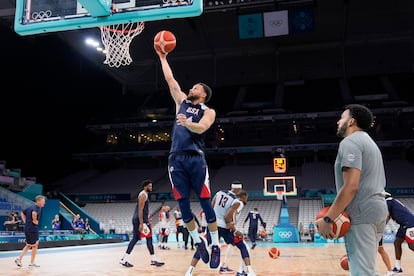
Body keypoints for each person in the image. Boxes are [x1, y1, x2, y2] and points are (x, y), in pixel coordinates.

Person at [155, 44, 220, 268]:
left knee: (204, 200)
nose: (190, 89)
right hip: (176, 158)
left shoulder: (208, 111)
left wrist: (188, 123)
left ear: (202, 94)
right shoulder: (181, 102)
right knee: (182, 205)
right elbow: (171, 80)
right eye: (191, 87)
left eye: (195, 88)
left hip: (195, 158)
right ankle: (198, 242)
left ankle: (216, 245)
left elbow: (202, 128)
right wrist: (162, 57)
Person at [315, 104, 388, 276]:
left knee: (363, 272)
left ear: (351, 121)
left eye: (342, 117)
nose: (338, 121)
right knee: (367, 269)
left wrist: (328, 218)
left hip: (362, 211)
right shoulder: (370, 143)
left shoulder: (350, 142)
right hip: (377, 210)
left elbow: (351, 186)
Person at [119, 179, 164, 268]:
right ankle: (153, 259)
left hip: (139, 219)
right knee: (149, 238)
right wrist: (141, 223)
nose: (151, 187)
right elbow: (140, 209)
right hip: (141, 220)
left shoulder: (144, 194)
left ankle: (124, 259)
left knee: (136, 239)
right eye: (149, 186)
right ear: (145, 186)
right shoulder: (143, 194)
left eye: (151, 186)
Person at [213, 189, 255, 276]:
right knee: (245, 248)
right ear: (244, 197)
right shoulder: (240, 203)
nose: (246, 200)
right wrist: (234, 228)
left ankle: (224, 265)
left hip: (218, 225)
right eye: (246, 198)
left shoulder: (231, 201)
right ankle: (241, 270)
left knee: (229, 245)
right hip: (228, 227)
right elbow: (232, 214)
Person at [384, 192, 414, 274]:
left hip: (409, 223)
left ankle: (398, 267)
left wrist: (381, 227)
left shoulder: (388, 201)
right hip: (404, 224)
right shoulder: (391, 201)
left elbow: (387, 216)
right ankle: (398, 267)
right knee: (397, 242)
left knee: (411, 246)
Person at [14, 195, 46, 268]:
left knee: (28, 245)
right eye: (43, 201)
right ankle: (32, 263)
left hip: (27, 228)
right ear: (38, 201)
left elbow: (22, 213)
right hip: (33, 229)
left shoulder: (30, 207)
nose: (44, 203)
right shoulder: (37, 208)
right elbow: (34, 213)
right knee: (35, 245)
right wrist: (35, 220)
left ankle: (19, 259)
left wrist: (25, 221)